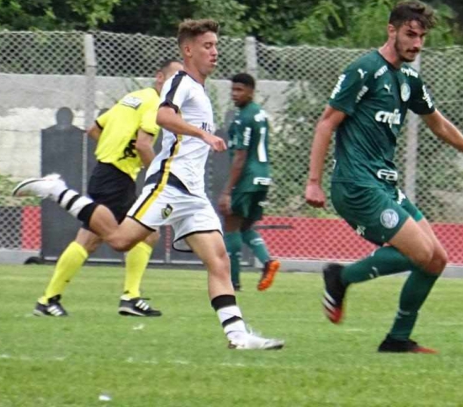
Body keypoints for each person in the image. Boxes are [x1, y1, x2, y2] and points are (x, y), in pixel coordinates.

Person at [15, 19, 284, 350]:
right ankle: (56, 189)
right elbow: (163, 117)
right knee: (118, 240)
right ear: (188, 50)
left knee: (220, 261)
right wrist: (203, 134)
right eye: (207, 46)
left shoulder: (200, 90)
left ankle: (238, 337)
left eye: (216, 45)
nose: (215, 52)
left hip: (193, 194)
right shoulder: (180, 82)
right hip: (169, 184)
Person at [304, 0, 463, 353]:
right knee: (419, 251)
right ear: (392, 30)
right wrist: (313, 181)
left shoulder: (409, 79)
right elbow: (326, 122)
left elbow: (439, 124)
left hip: (384, 184)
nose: (416, 43)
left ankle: (398, 338)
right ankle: (341, 277)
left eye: (421, 37)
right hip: (355, 184)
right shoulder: (364, 70)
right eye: (410, 35)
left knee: (436, 259)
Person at [32, 59, 183, 318]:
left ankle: (49, 300)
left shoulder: (133, 97)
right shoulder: (156, 104)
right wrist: (158, 177)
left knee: (91, 240)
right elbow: (144, 145)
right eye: (175, 79)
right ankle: (129, 297)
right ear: (160, 78)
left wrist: (114, 151)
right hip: (116, 178)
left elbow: (94, 130)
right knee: (145, 233)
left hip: (106, 173)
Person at [217, 73, 280, 292]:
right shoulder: (260, 114)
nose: (235, 94)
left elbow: (240, 157)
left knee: (231, 224)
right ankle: (268, 262)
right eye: (233, 90)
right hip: (263, 176)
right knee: (246, 227)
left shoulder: (244, 117)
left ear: (251, 91)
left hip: (248, 177)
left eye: (240, 90)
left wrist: (227, 191)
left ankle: (232, 281)